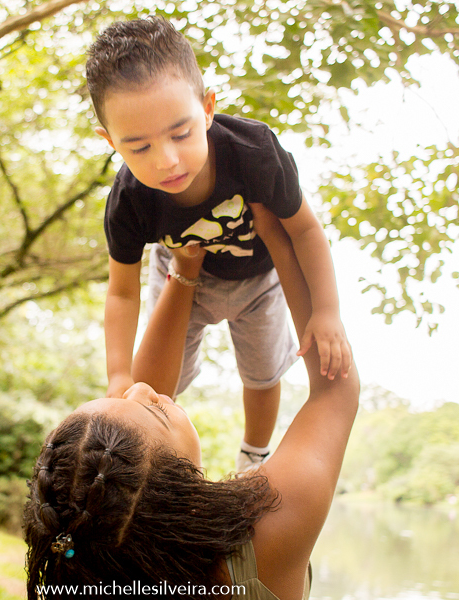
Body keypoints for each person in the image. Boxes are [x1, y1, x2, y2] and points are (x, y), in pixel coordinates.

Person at [86, 16, 352, 471]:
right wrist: (117, 376)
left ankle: (253, 455)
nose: (167, 160)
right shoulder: (128, 200)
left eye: (181, 133)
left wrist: (327, 312)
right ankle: (157, 471)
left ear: (207, 108)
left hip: (257, 276)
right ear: (110, 142)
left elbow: (306, 231)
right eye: (139, 147)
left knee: (263, 372)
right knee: (149, 391)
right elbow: (121, 291)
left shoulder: (255, 152)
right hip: (182, 272)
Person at [25, 241, 359, 599]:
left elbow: (148, 402)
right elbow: (334, 392)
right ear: (185, 501)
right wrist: (284, 237)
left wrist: (185, 270)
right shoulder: (267, 532)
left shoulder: (93, 574)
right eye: (156, 410)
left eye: (117, 398)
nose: (139, 387)